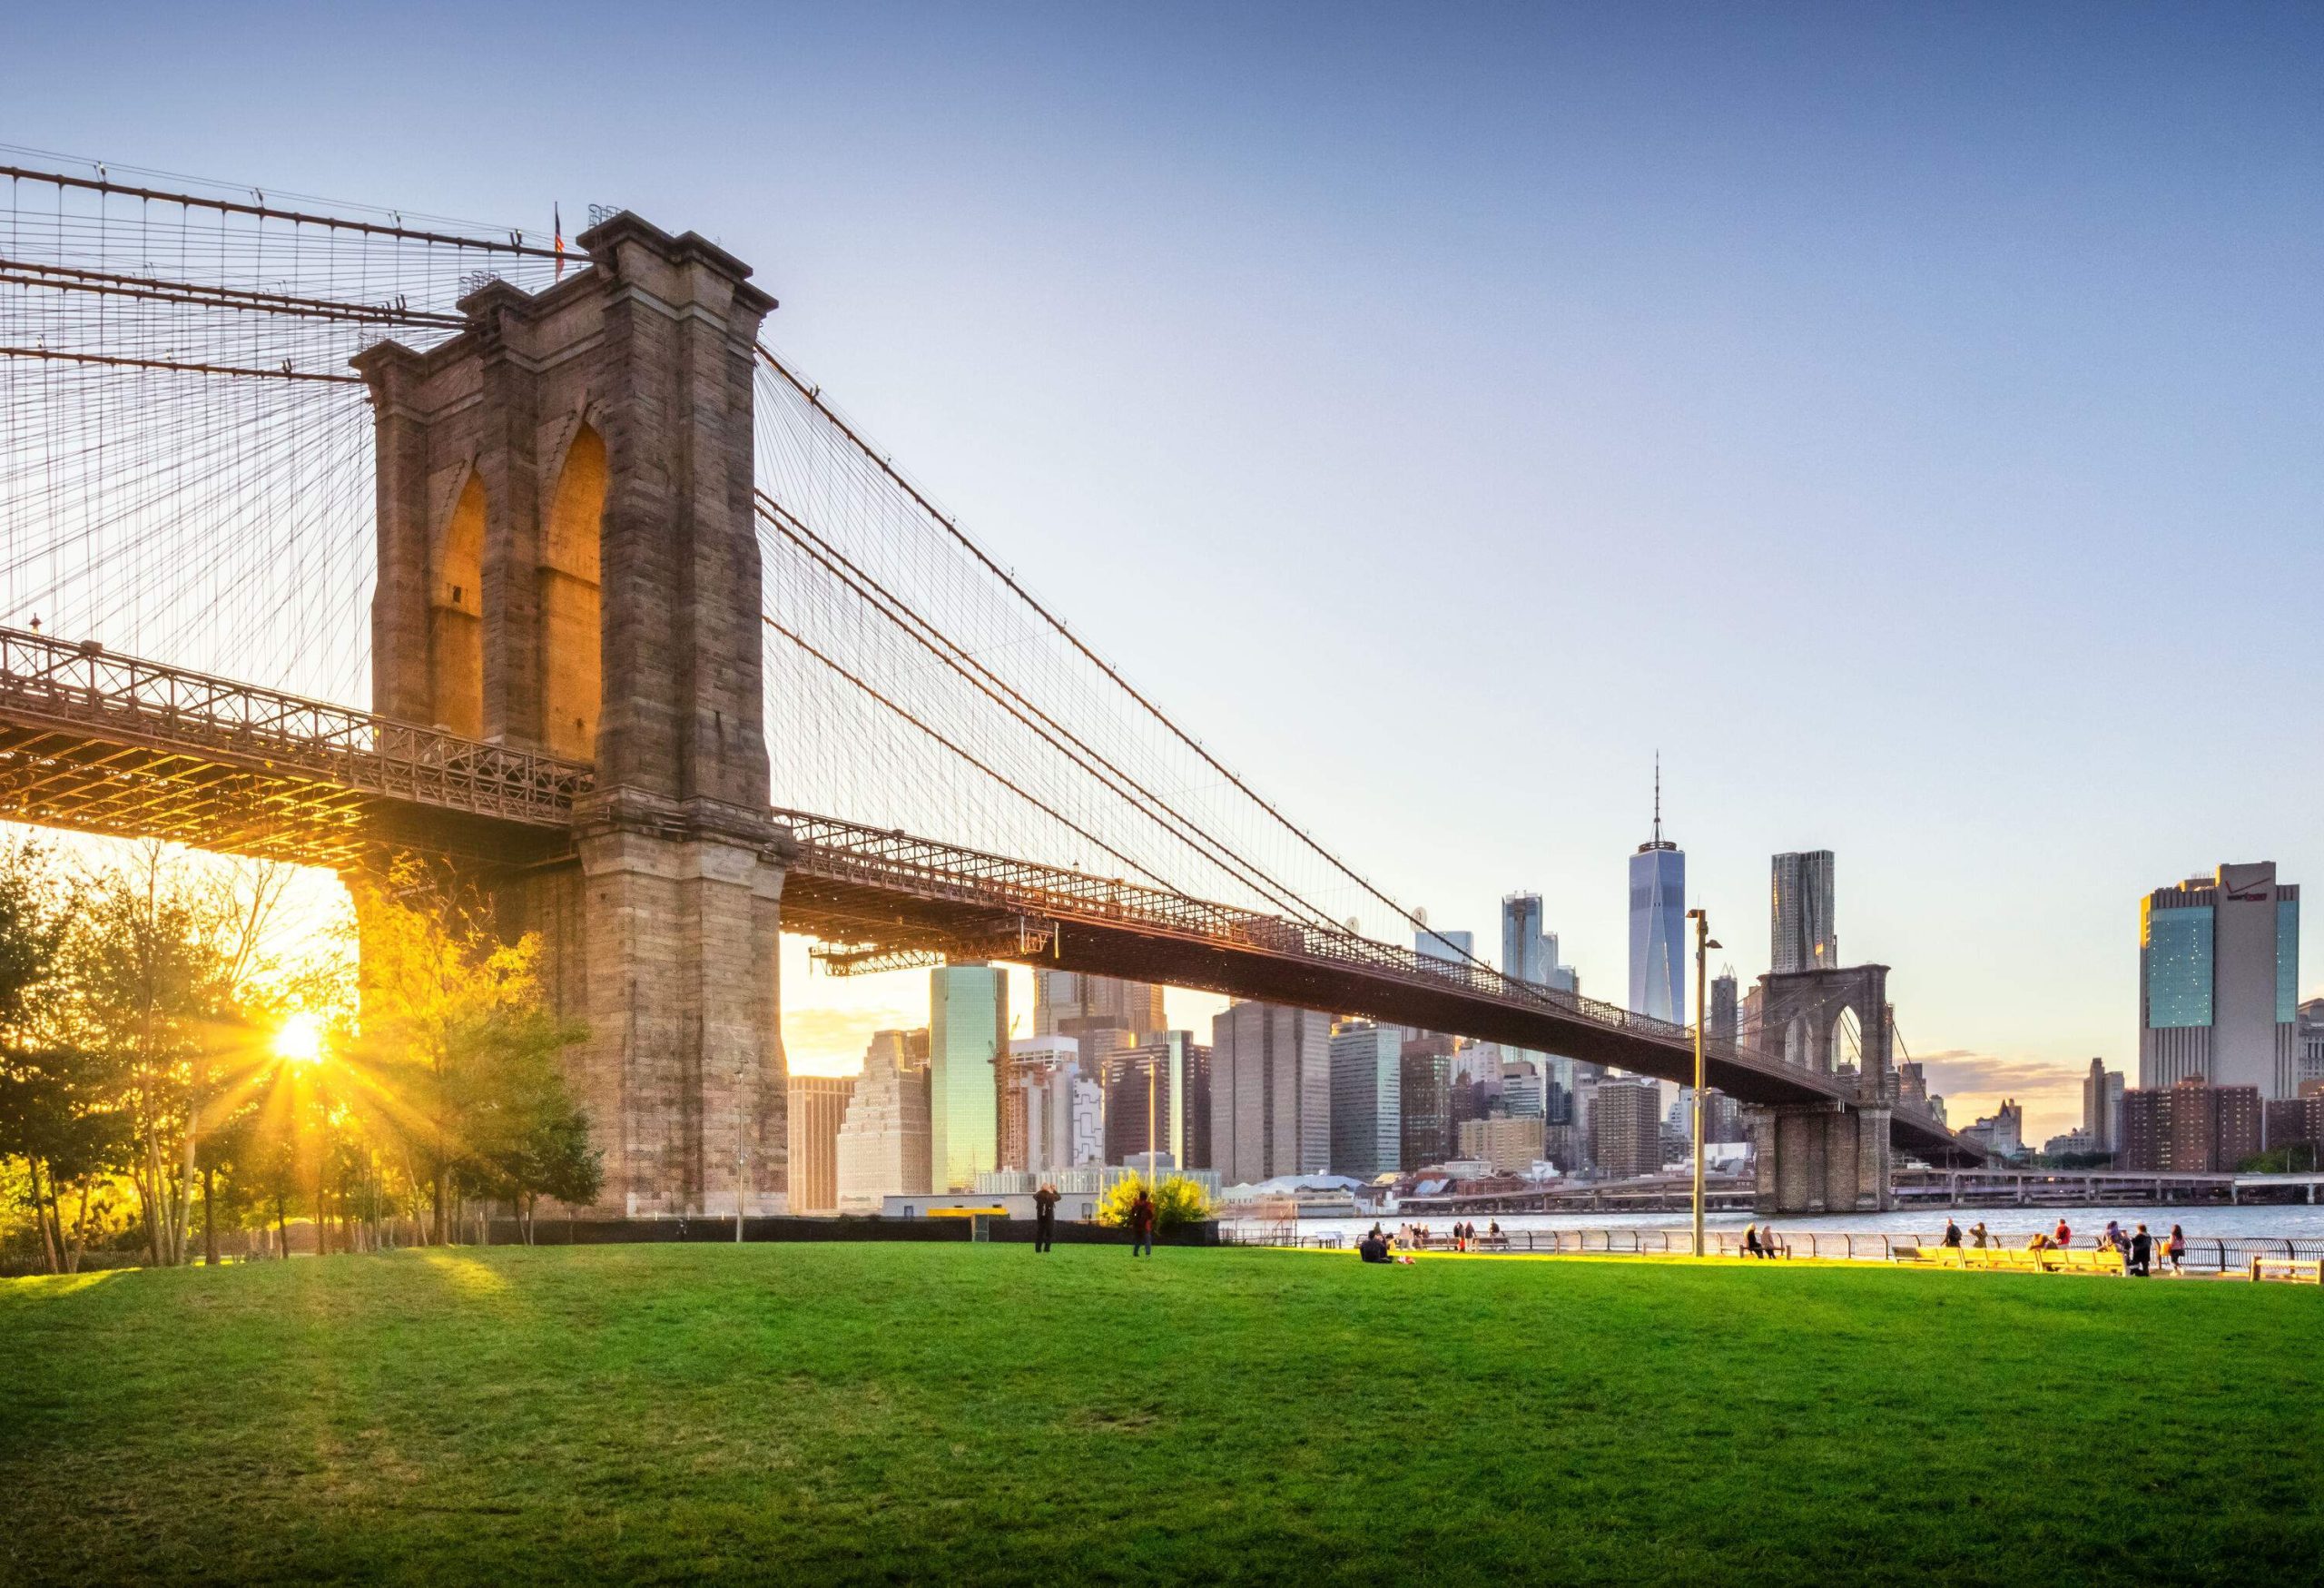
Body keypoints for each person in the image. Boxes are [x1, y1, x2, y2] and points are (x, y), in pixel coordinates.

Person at [1128, 1187, 1157, 1258]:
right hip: (1145, 1226)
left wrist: (1132, 1223)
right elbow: (1151, 1216)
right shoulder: (1148, 1205)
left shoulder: (1135, 1206)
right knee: (1147, 1240)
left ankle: (1135, 1253)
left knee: (1138, 1240)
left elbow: (1131, 1215)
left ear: (1140, 1197)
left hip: (1137, 1226)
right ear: (1146, 1197)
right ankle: (1148, 1254)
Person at [1032, 1183, 1059, 1254]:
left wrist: (1041, 1190)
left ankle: (1038, 1250)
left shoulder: (1039, 1195)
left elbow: (1034, 1196)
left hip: (1041, 1218)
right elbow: (1059, 1197)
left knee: (1040, 1234)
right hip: (1049, 1218)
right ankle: (1046, 1249)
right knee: (1049, 1234)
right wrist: (1053, 1190)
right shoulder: (1051, 1196)